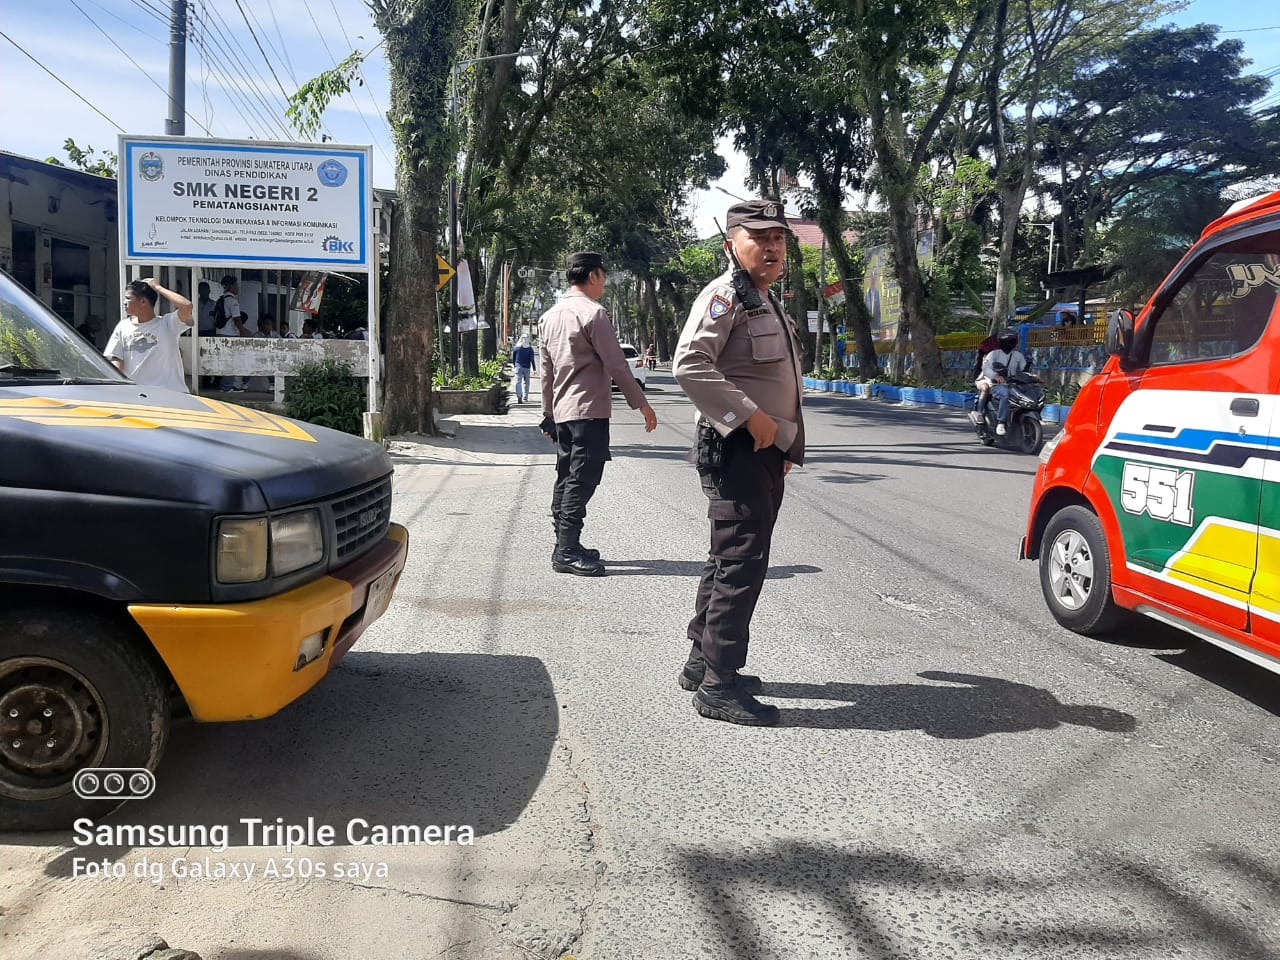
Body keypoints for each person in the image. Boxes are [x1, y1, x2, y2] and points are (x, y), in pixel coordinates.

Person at [672, 199, 805, 727]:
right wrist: (753, 418)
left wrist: (782, 443)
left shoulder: (762, 298)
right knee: (741, 563)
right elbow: (689, 364)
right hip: (737, 446)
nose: (772, 247)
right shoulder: (726, 295)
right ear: (732, 245)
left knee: (727, 557)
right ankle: (719, 685)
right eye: (760, 238)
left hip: (763, 449)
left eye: (778, 238)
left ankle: (702, 661)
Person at [538, 251, 658, 576]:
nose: (604, 283)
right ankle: (566, 550)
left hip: (563, 412)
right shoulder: (594, 314)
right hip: (589, 412)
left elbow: (546, 373)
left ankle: (566, 543)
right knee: (583, 479)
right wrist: (641, 403)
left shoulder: (549, 317)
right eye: (603, 276)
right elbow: (616, 364)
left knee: (567, 475)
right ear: (593, 276)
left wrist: (547, 415)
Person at [103, 277, 194, 393]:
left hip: (169, 394)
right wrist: (117, 386)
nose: (124, 302)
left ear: (143, 302)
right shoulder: (123, 326)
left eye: (128, 298)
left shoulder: (168, 323)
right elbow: (116, 358)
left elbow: (187, 306)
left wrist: (157, 287)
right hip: (136, 394)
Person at [981, 329, 1027, 436]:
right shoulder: (994, 354)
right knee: (1005, 394)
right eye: (1007, 342)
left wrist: (1033, 377)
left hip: (1014, 385)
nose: (1010, 344)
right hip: (997, 385)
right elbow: (986, 368)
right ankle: (1001, 422)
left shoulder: (1018, 355)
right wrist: (996, 376)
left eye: (1012, 341)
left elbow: (1024, 369)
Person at [512, 334, 536, 403]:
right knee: (527, 382)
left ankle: (519, 395)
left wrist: (514, 365)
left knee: (518, 382)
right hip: (527, 367)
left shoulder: (516, 348)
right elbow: (532, 359)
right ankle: (525, 396)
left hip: (518, 367)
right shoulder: (530, 349)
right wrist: (534, 369)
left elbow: (513, 358)